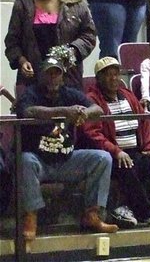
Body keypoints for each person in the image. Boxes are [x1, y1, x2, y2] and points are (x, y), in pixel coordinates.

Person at [17, 53, 118, 246]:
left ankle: (92, 214)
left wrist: (83, 113)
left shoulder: (69, 92)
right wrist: (64, 112)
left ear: (62, 76)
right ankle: (30, 217)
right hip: (39, 160)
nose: (53, 77)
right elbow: (27, 111)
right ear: (42, 75)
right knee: (25, 161)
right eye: (49, 73)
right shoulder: (31, 93)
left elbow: (98, 109)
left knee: (103, 158)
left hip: (67, 159)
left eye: (57, 73)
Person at [81, 56, 150, 227]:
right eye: (108, 75)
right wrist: (116, 151)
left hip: (134, 151)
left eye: (116, 74)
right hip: (110, 156)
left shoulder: (129, 96)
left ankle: (126, 209)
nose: (114, 78)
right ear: (98, 78)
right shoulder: (92, 100)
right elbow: (93, 133)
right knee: (127, 169)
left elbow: (144, 123)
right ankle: (146, 212)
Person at [5, 0, 96, 91]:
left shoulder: (74, 2)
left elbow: (89, 35)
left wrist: (72, 51)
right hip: (33, 76)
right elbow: (12, 41)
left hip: (68, 75)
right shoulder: (23, 5)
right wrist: (22, 61)